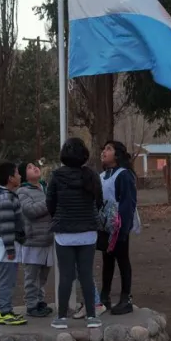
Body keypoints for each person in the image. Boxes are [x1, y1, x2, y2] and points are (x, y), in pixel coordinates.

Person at [46, 138, 103, 330]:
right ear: (84, 154)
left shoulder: (56, 176)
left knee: (66, 276)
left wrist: (59, 216)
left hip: (64, 232)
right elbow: (99, 201)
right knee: (86, 274)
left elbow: (50, 203)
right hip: (88, 231)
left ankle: (61, 317)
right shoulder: (92, 175)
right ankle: (92, 316)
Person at [98, 140, 139, 315]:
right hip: (104, 225)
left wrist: (122, 228)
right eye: (103, 148)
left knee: (122, 260)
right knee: (107, 261)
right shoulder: (101, 176)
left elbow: (128, 203)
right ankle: (104, 297)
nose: (103, 152)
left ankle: (126, 298)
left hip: (119, 225)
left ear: (117, 154)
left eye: (108, 149)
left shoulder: (124, 175)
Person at [0, 161, 27, 326]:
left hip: (4, 245)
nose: (20, 176)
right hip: (5, 245)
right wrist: (11, 249)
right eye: (17, 173)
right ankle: (4, 311)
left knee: (3, 278)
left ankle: (4, 309)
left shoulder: (5, 195)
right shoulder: (5, 198)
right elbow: (6, 226)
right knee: (6, 280)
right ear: (11, 178)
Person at [16, 161, 54, 318]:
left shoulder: (45, 188)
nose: (35, 168)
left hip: (48, 238)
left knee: (43, 275)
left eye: (35, 165)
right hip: (33, 239)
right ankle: (31, 305)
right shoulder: (23, 191)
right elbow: (30, 210)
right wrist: (50, 202)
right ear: (24, 175)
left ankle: (40, 301)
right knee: (32, 275)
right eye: (29, 167)